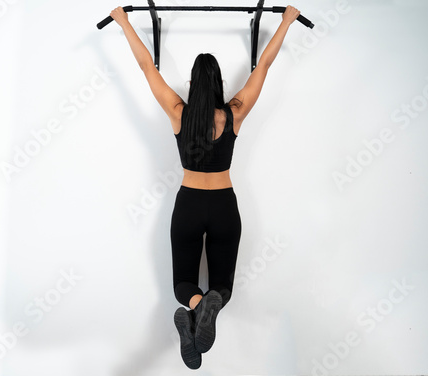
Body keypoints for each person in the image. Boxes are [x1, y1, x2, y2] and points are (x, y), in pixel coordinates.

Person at [110, 5, 301, 370]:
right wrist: (286, 21)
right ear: (219, 84)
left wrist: (123, 22)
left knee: (184, 283)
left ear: (193, 83)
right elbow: (264, 67)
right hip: (225, 206)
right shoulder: (235, 112)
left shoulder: (178, 112)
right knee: (223, 287)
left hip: (189, 205)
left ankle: (195, 309)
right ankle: (209, 305)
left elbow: (145, 67)